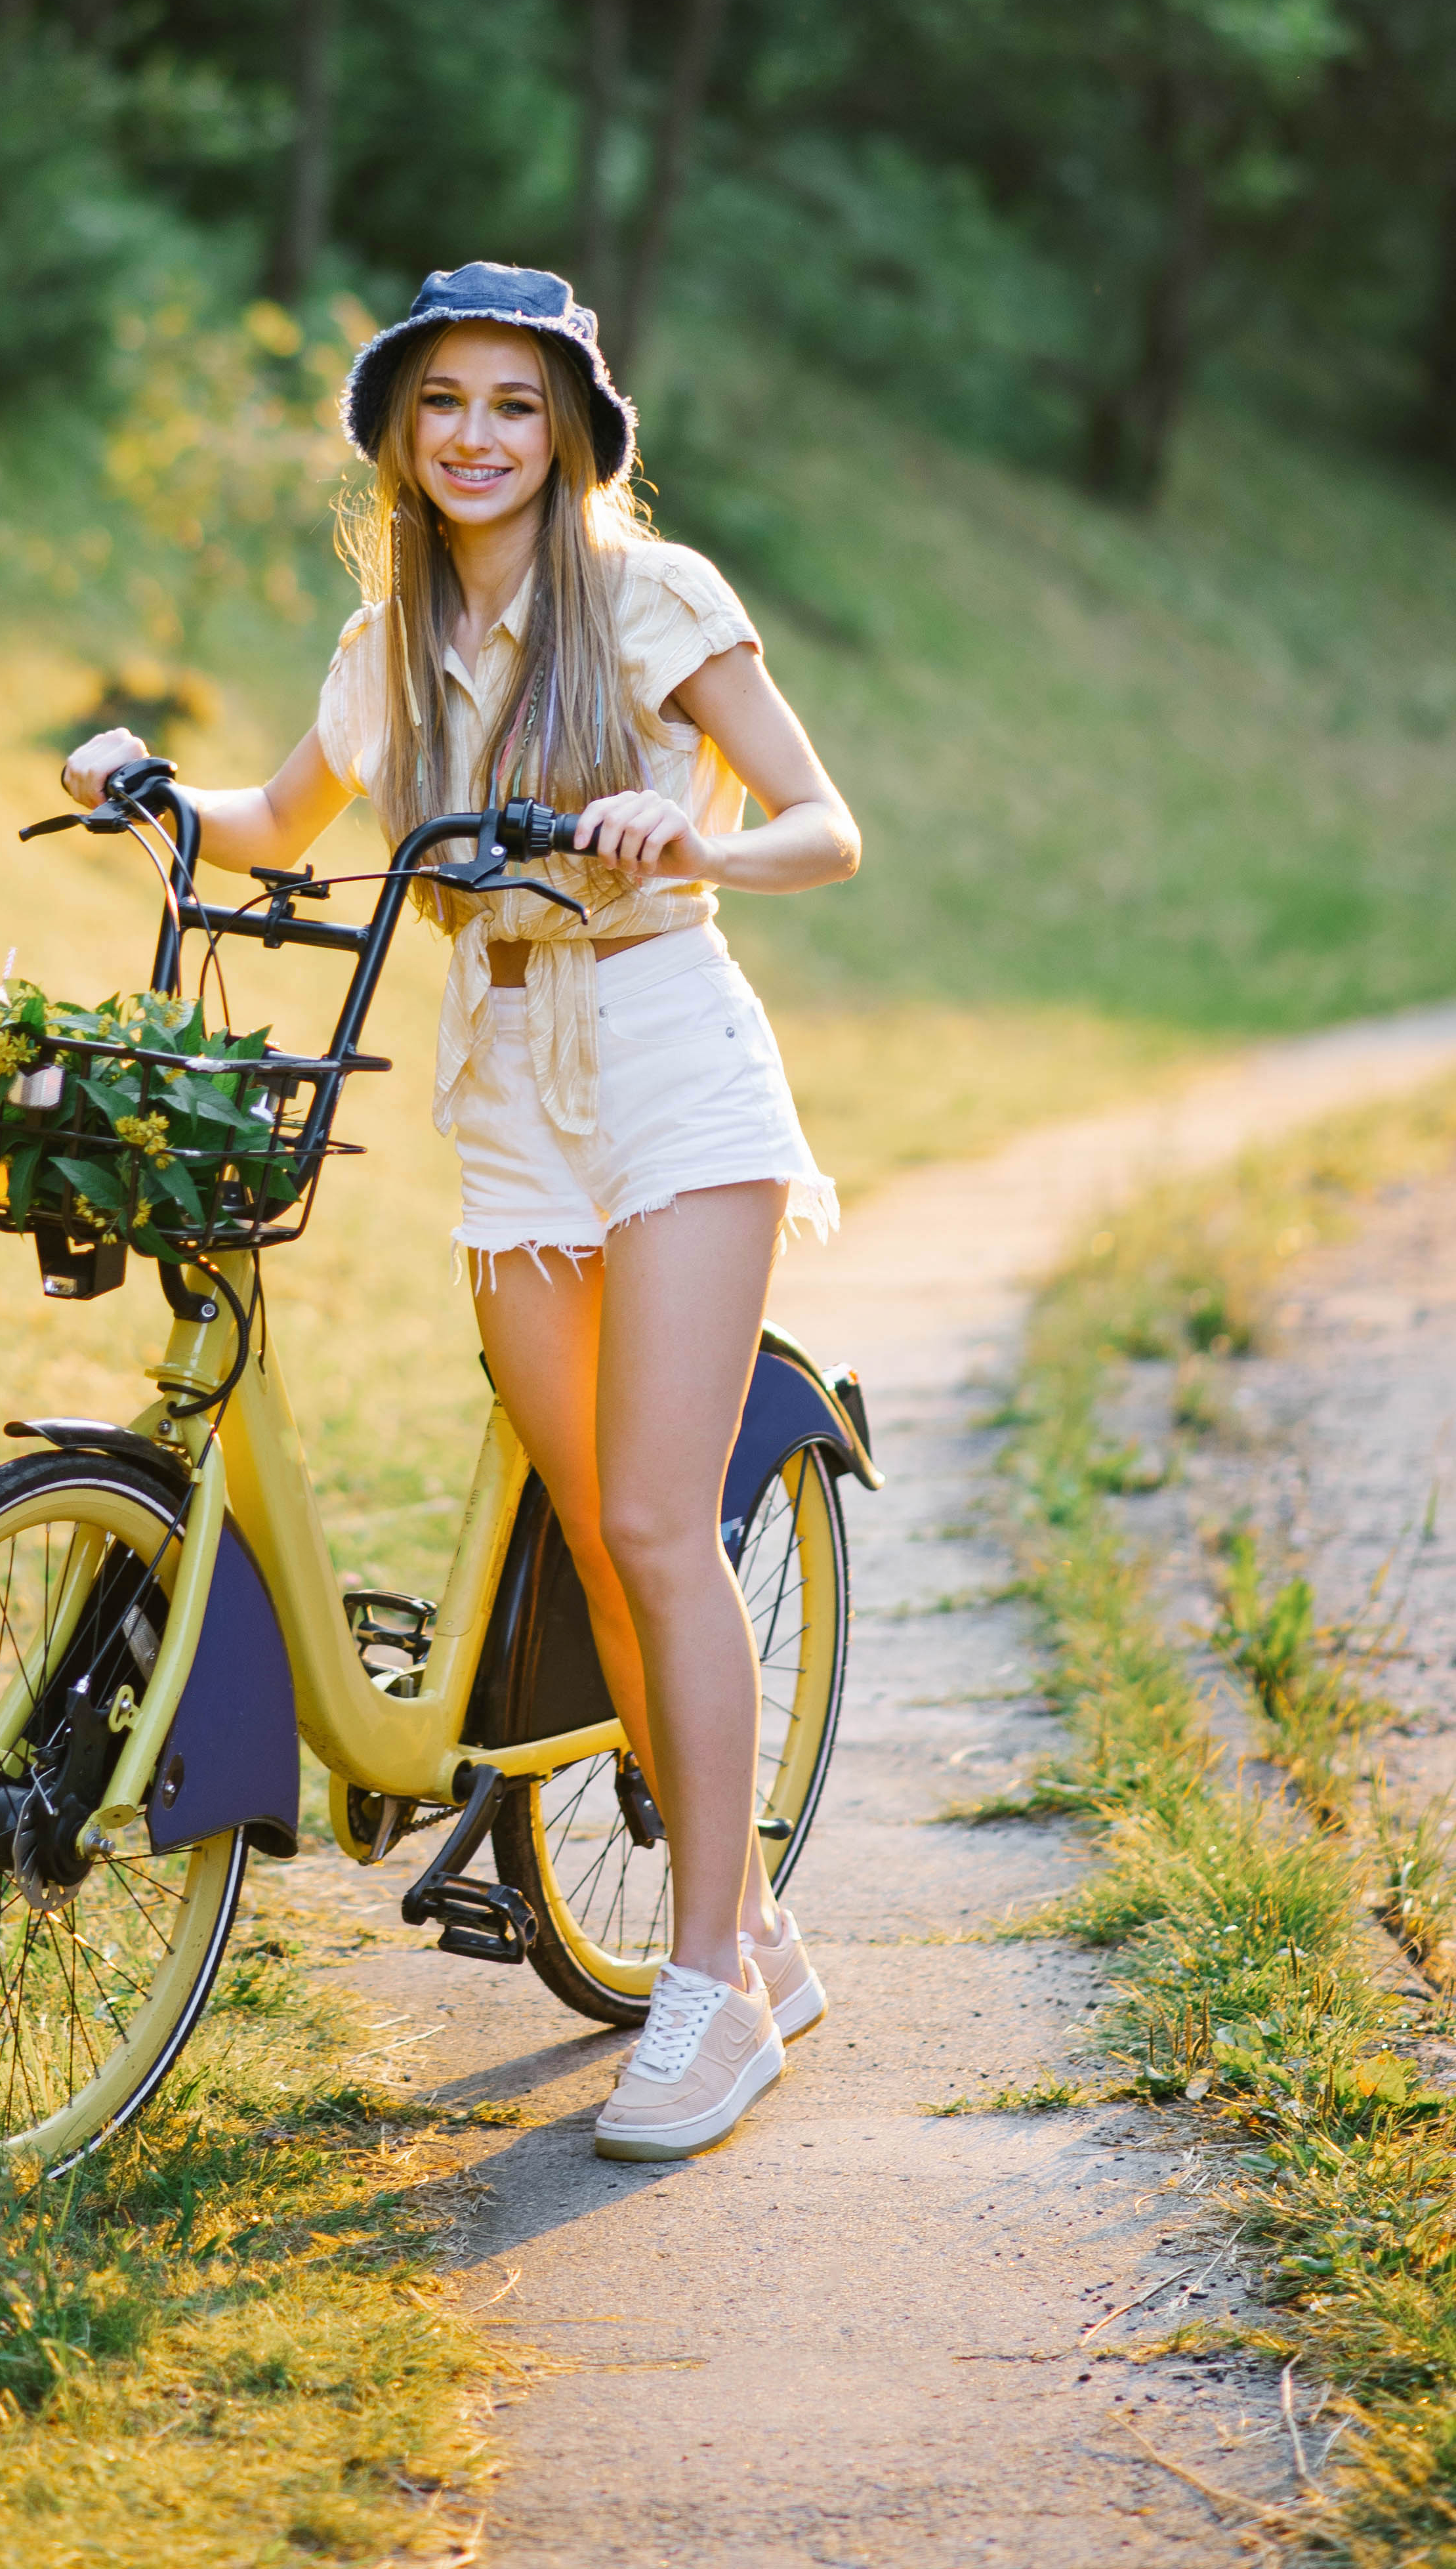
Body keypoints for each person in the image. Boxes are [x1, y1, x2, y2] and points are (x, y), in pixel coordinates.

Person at [63, 258, 862, 2163]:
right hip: (504, 1092)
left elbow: (823, 826)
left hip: (667, 1056)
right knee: (595, 1530)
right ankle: (752, 1919)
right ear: (398, 435)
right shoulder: (389, 639)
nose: (478, 437)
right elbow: (280, 822)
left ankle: (713, 1992)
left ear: (571, 430)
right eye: (444, 404)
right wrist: (148, 786)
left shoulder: (653, 597)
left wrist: (692, 831)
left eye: (515, 404)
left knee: (659, 1519)